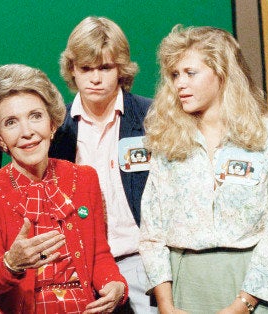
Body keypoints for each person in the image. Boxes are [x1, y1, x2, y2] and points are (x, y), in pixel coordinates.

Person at [139, 25, 268, 314]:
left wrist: (244, 302)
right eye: (174, 75)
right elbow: (152, 230)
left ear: (222, 73)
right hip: (183, 283)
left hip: (249, 284)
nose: (179, 83)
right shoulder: (168, 142)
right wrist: (166, 304)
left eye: (190, 73)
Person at [0, 64, 128, 313]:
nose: (27, 132)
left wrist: (115, 284)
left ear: (52, 124)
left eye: (35, 116)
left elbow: (100, 255)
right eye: (11, 122)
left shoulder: (84, 178)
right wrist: (11, 263)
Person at [49, 16, 156, 313]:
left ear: (120, 68)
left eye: (105, 68)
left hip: (143, 263)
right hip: (79, 268)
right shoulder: (56, 129)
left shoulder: (153, 117)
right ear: (72, 69)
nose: (95, 78)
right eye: (86, 68)